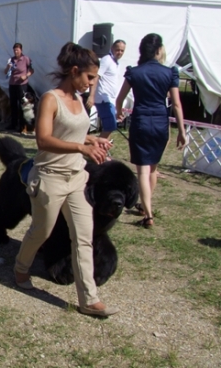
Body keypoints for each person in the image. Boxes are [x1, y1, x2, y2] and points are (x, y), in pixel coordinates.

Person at [14, 42, 119, 318]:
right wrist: (81, 148)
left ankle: (89, 299)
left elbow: (72, 132)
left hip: (76, 179)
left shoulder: (79, 99)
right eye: (90, 77)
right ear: (74, 71)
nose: (92, 83)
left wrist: (91, 140)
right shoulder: (51, 99)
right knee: (41, 232)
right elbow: (43, 139)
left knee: (84, 237)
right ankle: (21, 268)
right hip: (50, 179)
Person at [116, 33, 186, 228]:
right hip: (160, 123)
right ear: (158, 50)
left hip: (141, 121)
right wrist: (182, 131)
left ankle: (148, 215)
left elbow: (120, 99)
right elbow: (177, 104)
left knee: (143, 171)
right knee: (153, 168)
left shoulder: (134, 72)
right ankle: (145, 206)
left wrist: (119, 111)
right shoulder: (170, 72)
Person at [87, 40, 126, 139]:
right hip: (103, 99)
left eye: (122, 50)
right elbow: (96, 77)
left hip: (110, 99)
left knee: (110, 126)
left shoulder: (116, 63)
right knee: (110, 126)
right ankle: (96, 146)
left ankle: (101, 147)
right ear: (112, 48)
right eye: (117, 50)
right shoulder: (106, 60)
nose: (120, 52)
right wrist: (91, 96)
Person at [4, 42, 34, 131]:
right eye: (14, 50)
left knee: (22, 104)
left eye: (17, 50)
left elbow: (32, 70)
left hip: (22, 84)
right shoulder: (11, 60)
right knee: (13, 104)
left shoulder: (26, 59)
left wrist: (26, 76)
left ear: (21, 50)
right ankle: (13, 124)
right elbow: (5, 72)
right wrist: (8, 67)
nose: (16, 52)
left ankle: (22, 125)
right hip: (12, 84)